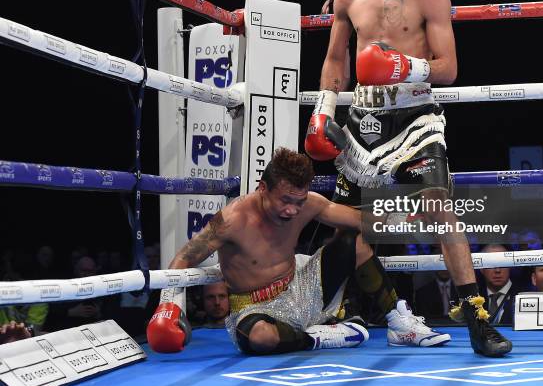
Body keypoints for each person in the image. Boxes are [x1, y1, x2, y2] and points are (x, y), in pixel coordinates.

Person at [304, 0, 511, 357]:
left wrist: (400, 66)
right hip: (363, 118)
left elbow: (449, 67)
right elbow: (336, 61)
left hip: (417, 118)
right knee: (344, 233)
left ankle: (477, 321)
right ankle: (383, 314)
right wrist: (322, 110)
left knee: (440, 206)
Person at [146, 148, 449, 355]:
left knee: (353, 239)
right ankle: (320, 337)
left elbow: (357, 219)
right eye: (285, 200)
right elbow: (185, 256)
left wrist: (401, 219)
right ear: (263, 188)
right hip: (255, 307)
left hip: (303, 287)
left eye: (299, 201)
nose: (292, 210)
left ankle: (399, 324)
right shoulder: (232, 220)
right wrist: (169, 307)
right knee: (260, 339)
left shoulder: (307, 204)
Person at [478, 245, 522, 325]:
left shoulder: (522, 295)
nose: (497, 270)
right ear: (481, 268)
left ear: (510, 266)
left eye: (503, 263)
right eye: (491, 264)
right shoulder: (473, 297)